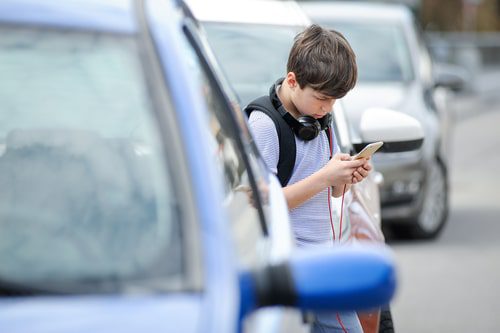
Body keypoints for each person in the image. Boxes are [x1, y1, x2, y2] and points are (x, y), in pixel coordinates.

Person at [246, 24, 372, 333]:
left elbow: (333, 193)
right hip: (289, 266)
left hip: (320, 257)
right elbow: (259, 203)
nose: (327, 109)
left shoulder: (319, 121)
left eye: (334, 101)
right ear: (292, 80)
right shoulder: (264, 125)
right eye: (322, 98)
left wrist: (346, 175)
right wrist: (324, 176)